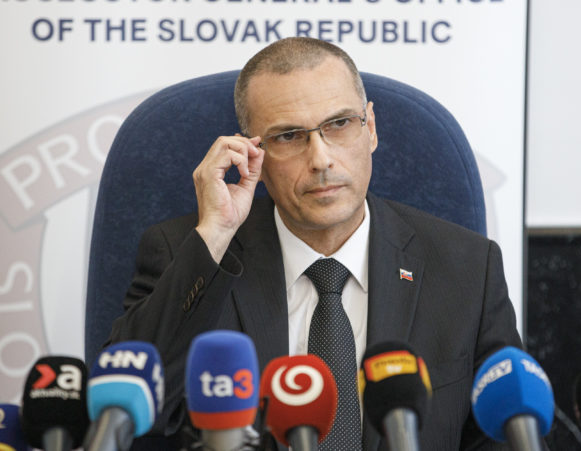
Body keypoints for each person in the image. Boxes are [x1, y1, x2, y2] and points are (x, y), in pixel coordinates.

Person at [107, 37, 521, 450]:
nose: (321, 159)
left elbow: (503, 436)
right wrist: (215, 235)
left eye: (339, 124)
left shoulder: (467, 268)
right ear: (253, 153)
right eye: (289, 136)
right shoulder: (190, 254)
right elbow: (127, 416)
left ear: (370, 129)